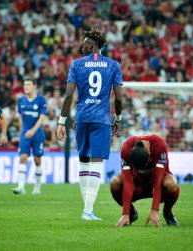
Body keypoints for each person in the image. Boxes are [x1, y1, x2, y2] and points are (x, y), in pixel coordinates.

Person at [56, 27, 123, 220]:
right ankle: (87, 210)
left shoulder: (76, 65)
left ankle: (87, 210)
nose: (81, 48)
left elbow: (69, 94)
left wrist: (61, 122)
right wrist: (118, 118)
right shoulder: (113, 65)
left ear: (92, 46)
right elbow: (118, 98)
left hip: (82, 118)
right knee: (96, 162)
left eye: (84, 45)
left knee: (84, 162)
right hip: (101, 120)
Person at [110, 134, 180, 227]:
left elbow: (158, 180)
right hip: (136, 183)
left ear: (150, 156)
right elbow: (128, 181)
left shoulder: (159, 145)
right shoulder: (126, 149)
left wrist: (155, 210)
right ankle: (131, 214)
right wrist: (125, 213)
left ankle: (167, 213)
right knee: (114, 182)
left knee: (171, 183)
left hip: (156, 183)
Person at [12, 79, 48, 195]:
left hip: (37, 133)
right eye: (24, 84)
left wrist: (32, 130)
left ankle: (37, 187)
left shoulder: (41, 99)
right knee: (23, 158)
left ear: (34, 86)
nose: (26, 87)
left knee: (37, 160)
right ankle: (21, 186)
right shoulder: (21, 100)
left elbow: (42, 117)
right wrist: (22, 131)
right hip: (25, 133)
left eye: (28, 84)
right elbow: (20, 117)